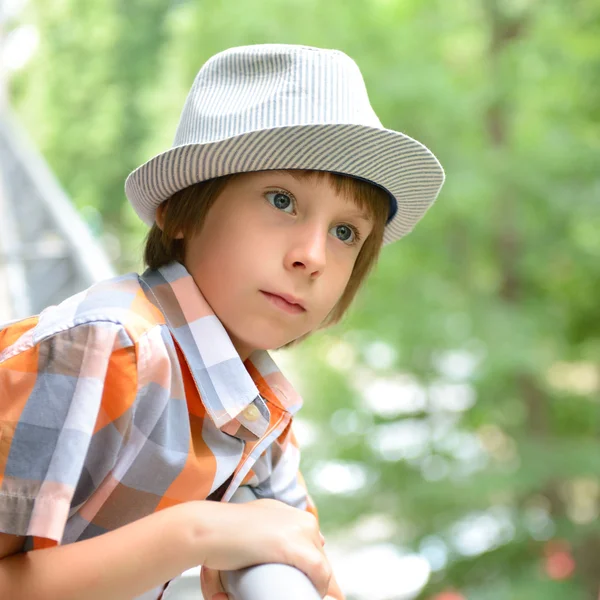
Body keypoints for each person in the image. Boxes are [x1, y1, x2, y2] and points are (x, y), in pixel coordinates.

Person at [0, 44, 444, 600]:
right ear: (180, 209)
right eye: (281, 200)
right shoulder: (110, 349)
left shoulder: (255, 400)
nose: (313, 255)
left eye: (345, 232)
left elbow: (304, 553)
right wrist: (197, 533)